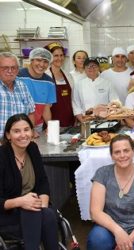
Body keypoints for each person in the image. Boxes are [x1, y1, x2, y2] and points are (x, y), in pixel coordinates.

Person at [87, 134, 134, 250]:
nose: (122, 155)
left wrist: (127, 241)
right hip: (111, 226)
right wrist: (118, 231)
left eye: (126, 150)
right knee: (97, 240)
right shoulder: (102, 174)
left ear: (133, 152)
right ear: (111, 155)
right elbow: (95, 212)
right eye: (117, 152)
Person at [0, 113, 58, 250]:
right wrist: (20, 202)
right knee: (41, 215)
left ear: (32, 132)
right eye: (16, 131)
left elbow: (42, 182)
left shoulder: (32, 148)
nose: (23, 135)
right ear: (8, 135)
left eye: (26, 130)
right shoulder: (2, 157)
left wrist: (42, 206)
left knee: (46, 213)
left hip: (33, 207)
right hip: (7, 212)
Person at [18, 48, 56, 132]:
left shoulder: (49, 82)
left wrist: (50, 126)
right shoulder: (18, 76)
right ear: (31, 60)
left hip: (38, 126)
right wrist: (28, 129)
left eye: (45, 61)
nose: (42, 64)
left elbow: (46, 108)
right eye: (38, 60)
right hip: (17, 125)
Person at [72, 57, 119, 123]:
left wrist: (108, 115)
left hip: (105, 120)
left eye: (94, 66)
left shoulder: (108, 83)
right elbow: (76, 105)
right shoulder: (79, 84)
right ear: (84, 69)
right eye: (88, 66)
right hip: (85, 120)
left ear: (98, 68)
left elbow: (115, 103)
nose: (92, 68)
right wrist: (82, 120)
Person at [0, 52, 35, 137]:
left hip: (21, 142)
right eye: (5, 68)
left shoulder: (22, 86)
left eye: (13, 68)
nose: (10, 71)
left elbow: (31, 112)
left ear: (18, 69)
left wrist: (31, 133)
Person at [44, 42, 75, 127]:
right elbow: (45, 106)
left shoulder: (68, 75)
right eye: (56, 56)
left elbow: (72, 99)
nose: (60, 58)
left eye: (61, 55)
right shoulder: (46, 76)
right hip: (52, 122)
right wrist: (49, 125)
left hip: (70, 121)